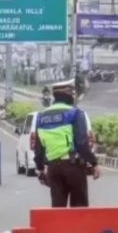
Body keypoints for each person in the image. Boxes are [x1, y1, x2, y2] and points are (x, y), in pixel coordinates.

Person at [34, 79, 100, 208]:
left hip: (53, 169)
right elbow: (82, 144)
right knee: (79, 211)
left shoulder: (41, 117)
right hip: (73, 167)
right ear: (69, 95)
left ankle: (60, 229)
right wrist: (94, 163)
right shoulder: (75, 113)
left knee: (58, 211)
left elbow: (39, 147)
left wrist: (40, 169)